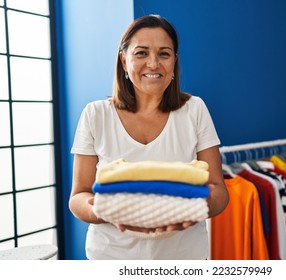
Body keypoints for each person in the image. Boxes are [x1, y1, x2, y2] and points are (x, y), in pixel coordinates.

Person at [69, 14, 229, 260]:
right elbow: (79, 195)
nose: (153, 64)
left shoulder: (194, 110)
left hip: (184, 257)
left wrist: (190, 209)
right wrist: (110, 211)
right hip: (110, 257)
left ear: (174, 62)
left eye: (164, 54)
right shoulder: (96, 114)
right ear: (124, 61)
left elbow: (218, 191)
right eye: (141, 53)